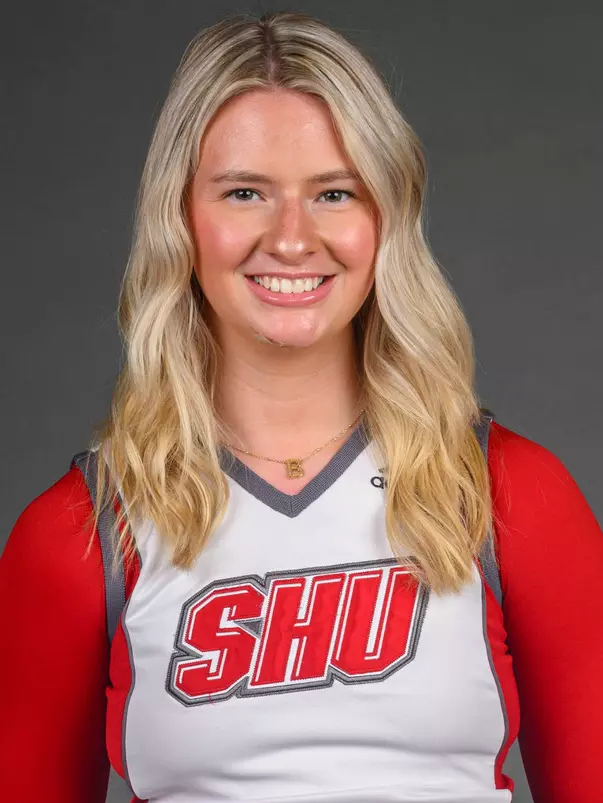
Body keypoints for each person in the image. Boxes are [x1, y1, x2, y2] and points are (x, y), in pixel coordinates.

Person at [0, 10, 601, 803]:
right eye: (244, 191)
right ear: (179, 217)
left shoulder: (508, 497)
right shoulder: (80, 536)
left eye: (333, 193)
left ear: (384, 216)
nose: (290, 238)